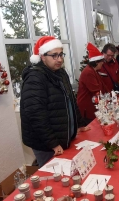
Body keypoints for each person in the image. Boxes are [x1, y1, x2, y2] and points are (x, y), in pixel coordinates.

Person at [20, 36, 89, 167]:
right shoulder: (35, 78)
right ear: (43, 56)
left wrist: (80, 123)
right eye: (54, 55)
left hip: (61, 137)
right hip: (46, 143)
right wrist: (53, 143)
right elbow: (36, 115)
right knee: (53, 177)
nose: (59, 59)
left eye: (61, 54)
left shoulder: (60, 73)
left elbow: (71, 101)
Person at [77, 43, 109, 124]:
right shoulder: (88, 72)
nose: (103, 63)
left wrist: (111, 95)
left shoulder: (94, 71)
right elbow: (96, 90)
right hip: (87, 108)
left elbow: (103, 86)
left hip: (92, 106)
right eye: (102, 61)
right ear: (96, 62)